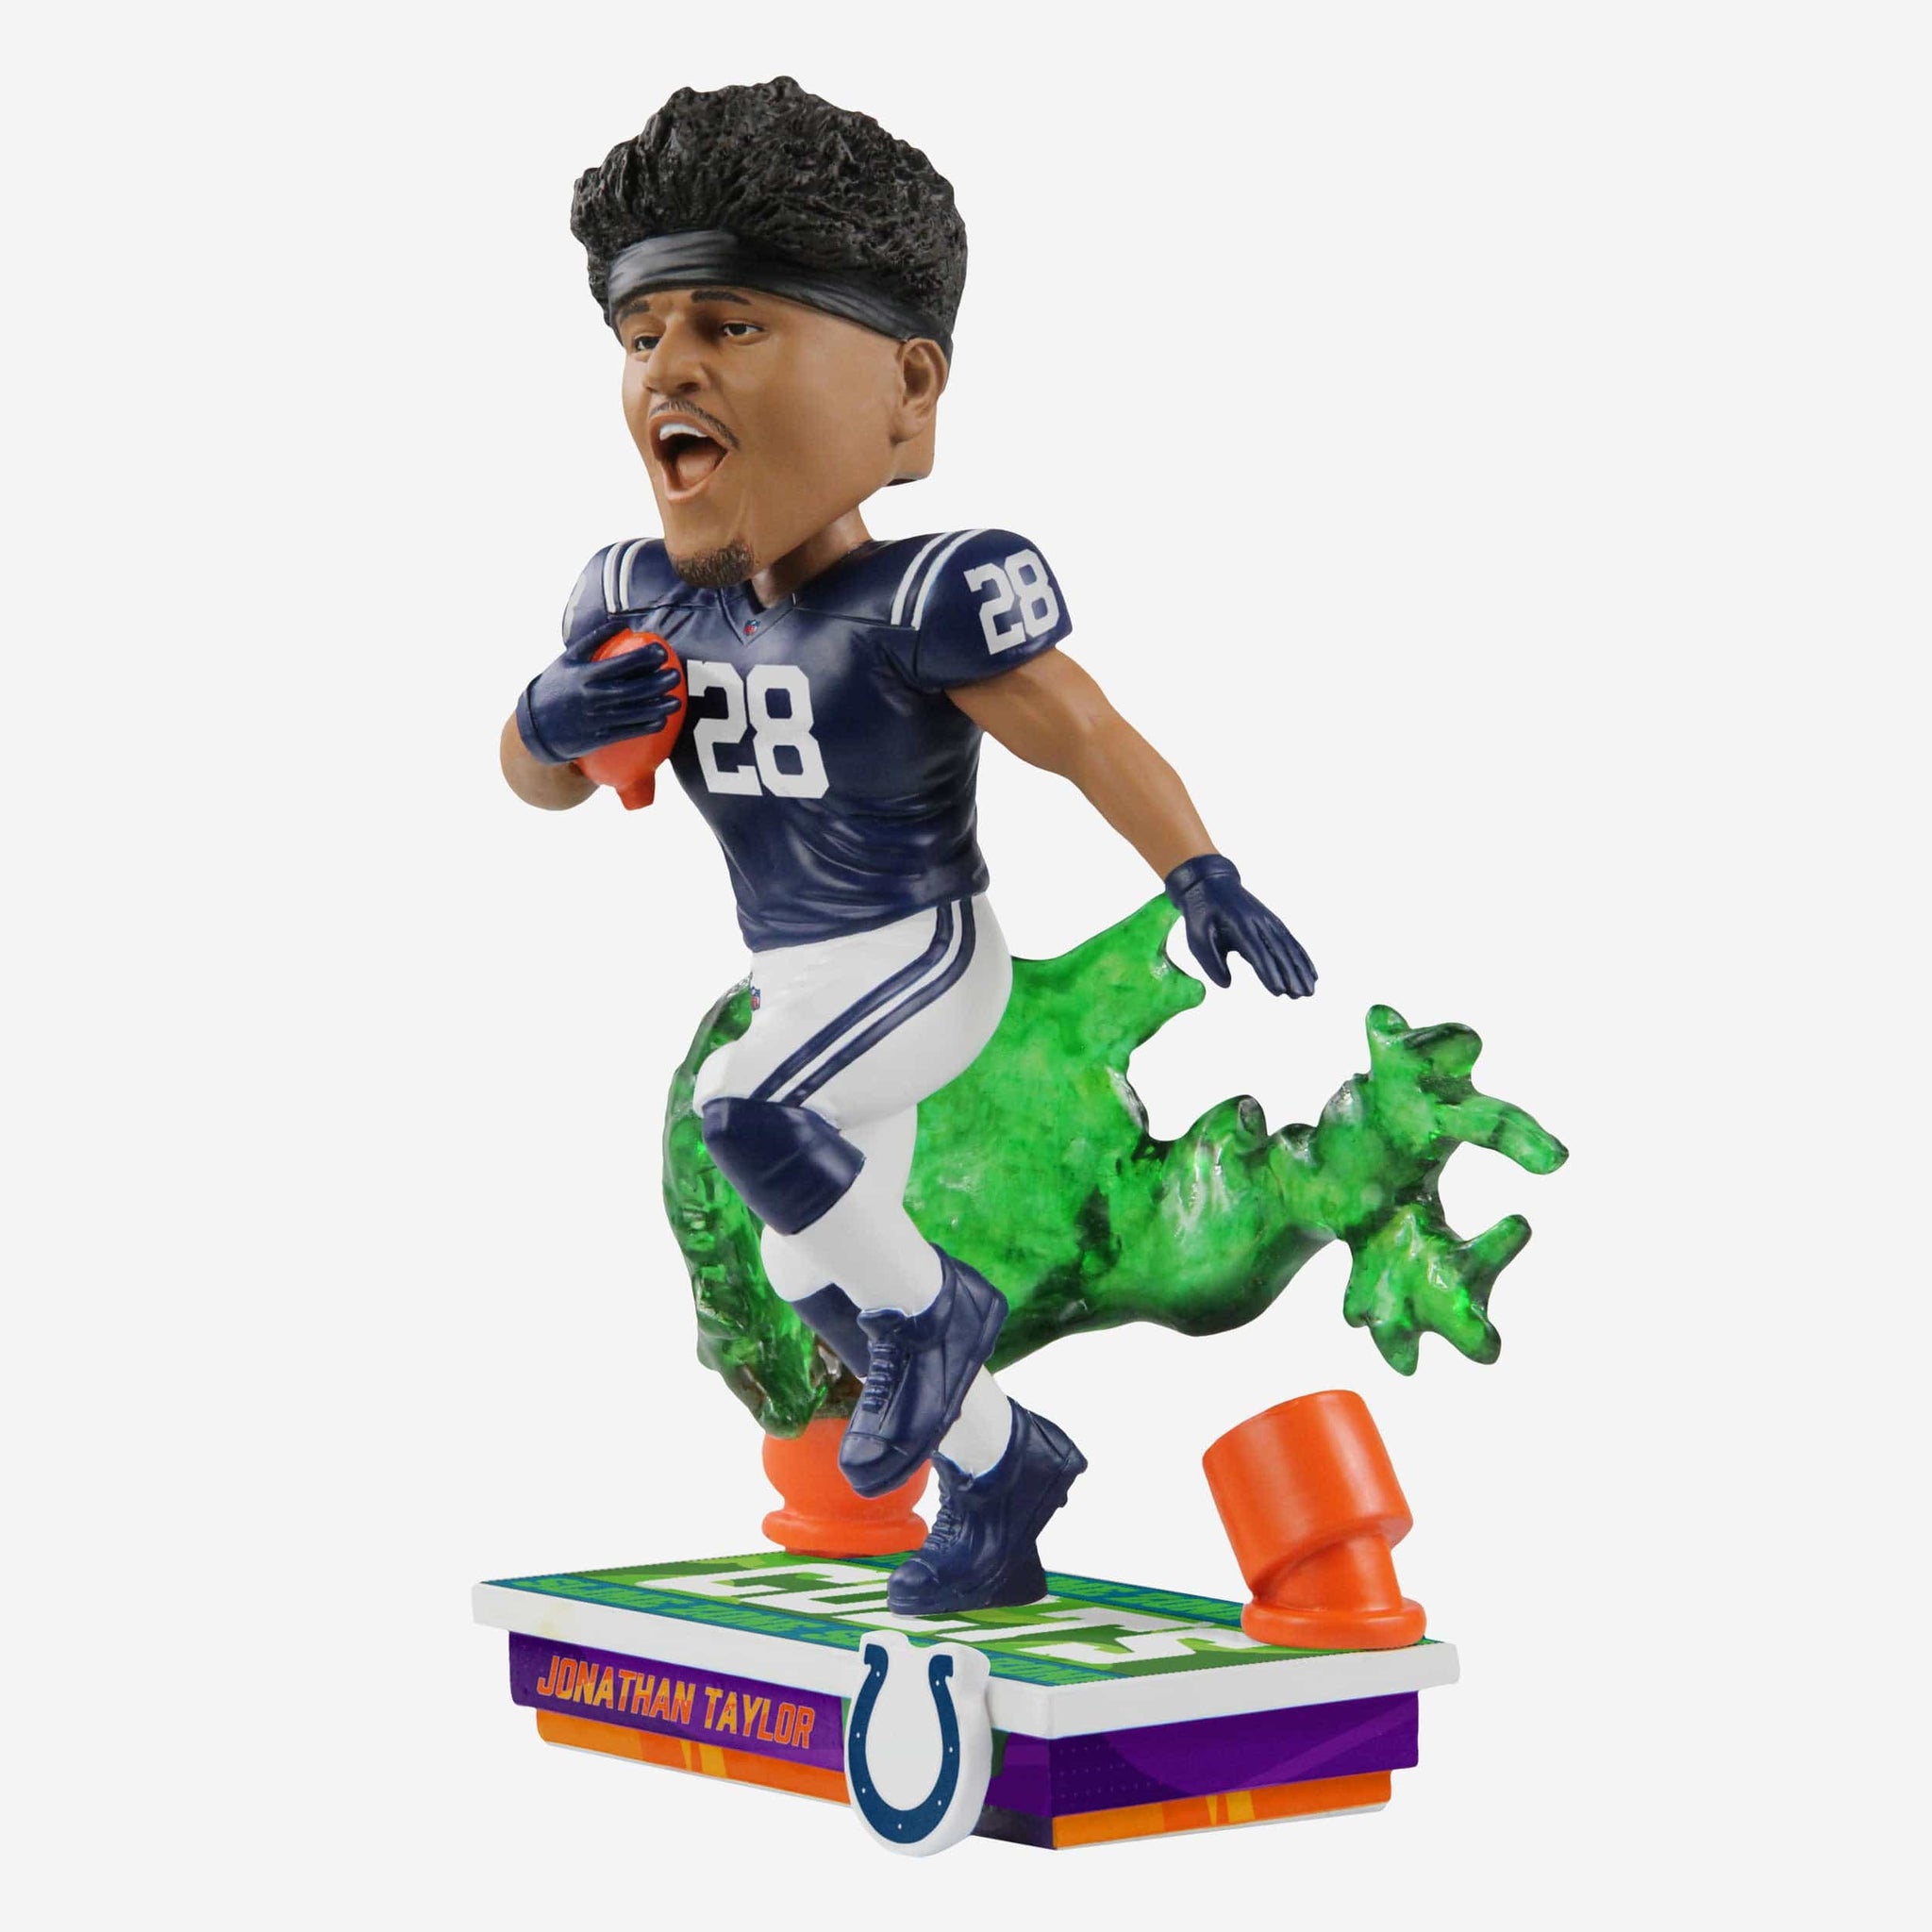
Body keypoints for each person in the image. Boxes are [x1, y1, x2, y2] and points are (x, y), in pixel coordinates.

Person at [500, 77, 1317, 1615]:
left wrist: (1196, 868)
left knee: (748, 1107)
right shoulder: (637, 595)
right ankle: (1006, 1473)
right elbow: (547, 782)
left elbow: (1079, 727)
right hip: (794, 975)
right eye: (640, 333)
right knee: (812, 1270)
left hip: (920, 951)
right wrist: (549, 719)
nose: (670, 366)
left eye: (733, 324)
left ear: (908, 387)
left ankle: (943, 1320)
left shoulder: (926, 597)